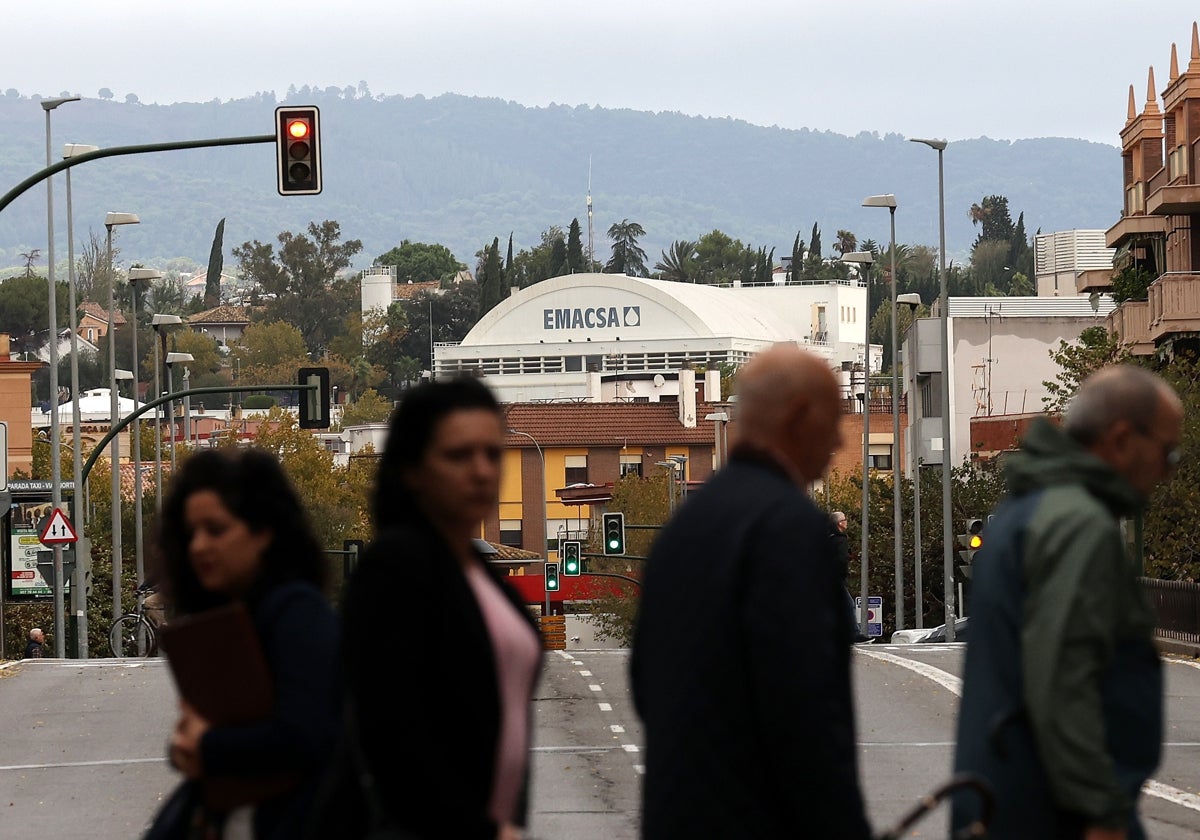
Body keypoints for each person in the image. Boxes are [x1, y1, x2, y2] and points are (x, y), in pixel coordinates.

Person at [630, 342, 872, 839]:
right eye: (834, 421)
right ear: (800, 416)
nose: (838, 443)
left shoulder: (683, 528)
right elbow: (807, 715)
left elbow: (644, 678)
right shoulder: (792, 529)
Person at [952, 365, 1183, 840]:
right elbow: (1064, 677)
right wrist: (1101, 812)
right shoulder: (1076, 525)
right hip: (1058, 813)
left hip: (1008, 796)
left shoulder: (1025, 511)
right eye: (1167, 452)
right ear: (1121, 440)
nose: (1166, 470)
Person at [307, 376, 543, 840]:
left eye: (492, 454)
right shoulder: (394, 568)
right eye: (458, 455)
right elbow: (390, 729)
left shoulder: (481, 575)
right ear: (412, 469)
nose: (481, 471)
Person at [152, 447, 340, 839]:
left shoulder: (298, 612)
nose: (199, 546)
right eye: (191, 534)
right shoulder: (226, 619)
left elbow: (303, 734)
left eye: (216, 530)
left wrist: (207, 746)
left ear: (263, 532)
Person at [830, 510, 869, 642]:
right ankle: (854, 634)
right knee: (848, 605)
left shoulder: (827, 538)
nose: (846, 522)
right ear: (839, 523)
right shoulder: (840, 540)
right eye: (844, 520)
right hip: (836, 579)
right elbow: (841, 561)